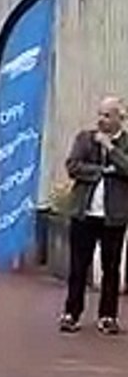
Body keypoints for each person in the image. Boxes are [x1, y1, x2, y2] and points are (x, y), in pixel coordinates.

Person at [60, 96, 128, 335]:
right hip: (84, 213)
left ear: (120, 118)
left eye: (107, 116)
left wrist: (111, 149)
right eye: (100, 114)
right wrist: (102, 171)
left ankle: (108, 315)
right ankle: (71, 313)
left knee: (111, 267)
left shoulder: (125, 143)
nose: (102, 120)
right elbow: (73, 166)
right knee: (78, 265)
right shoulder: (85, 139)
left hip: (114, 216)